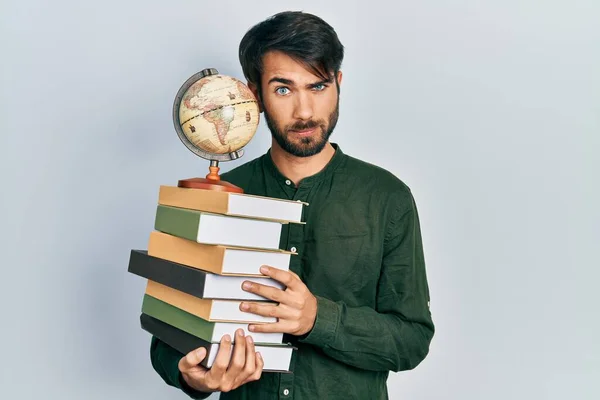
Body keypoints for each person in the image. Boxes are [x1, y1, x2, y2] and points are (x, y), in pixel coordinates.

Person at [149, 10, 434, 399]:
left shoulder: (387, 197)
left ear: (338, 84)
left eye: (317, 87)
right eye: (283, 89)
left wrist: (318, 318)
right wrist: (194, 376)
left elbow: (412, 339)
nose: (304, 111)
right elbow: (167, 343)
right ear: (256, 95)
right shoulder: (219, 194)